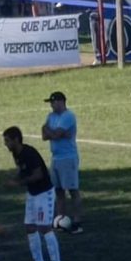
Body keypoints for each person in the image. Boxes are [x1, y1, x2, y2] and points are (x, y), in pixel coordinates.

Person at [3, 126, 63, 261]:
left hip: (43, 193)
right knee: (30, 227)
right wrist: (14, 177)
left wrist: (17, 183)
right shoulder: (16, 153)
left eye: (7, 141)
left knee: (45, 228)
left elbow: (38, 175)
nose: (5, 144)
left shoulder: (29, 153)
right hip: (32, 193)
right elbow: (23, 171)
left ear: (16, 139)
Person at [41, 92, 83, 234]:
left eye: (53, 102)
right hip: (55, 158)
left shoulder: (68, 116)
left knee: (72, 190)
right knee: (58, 191)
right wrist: (53, 133)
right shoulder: (51, 116)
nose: (51, 105)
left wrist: (52, 132)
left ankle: (77, 221)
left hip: (68, 157)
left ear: (61, 102)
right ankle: (60, 219)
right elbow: (44, 134)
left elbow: (55, 134)